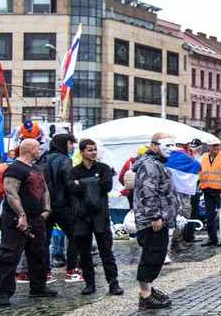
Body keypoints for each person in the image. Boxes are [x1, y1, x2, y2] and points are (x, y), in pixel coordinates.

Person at [0, 138, 56, 307]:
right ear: (30, 150)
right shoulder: (14, 168)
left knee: (38, 254)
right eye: (37, 148)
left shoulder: (36, 168)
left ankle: (38, 287)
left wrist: (46, 211)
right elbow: (11, 193)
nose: (40, 150)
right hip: (15, 218)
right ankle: (3, 294)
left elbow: (44, 190)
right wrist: (21, 215)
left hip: (36, 218)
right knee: (9, 255)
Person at [69, 138, 123, 296]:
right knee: (84, 252)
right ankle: (89, 284)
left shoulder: (104, 168)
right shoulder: (75, 171)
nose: (93, 152)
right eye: (90, 150)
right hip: (82, 215)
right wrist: (94, 183)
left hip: (100, 214)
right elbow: (72, 189)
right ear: (82, 152)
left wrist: (83, 184)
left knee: (106, 251)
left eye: (94, 149)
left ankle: (113, 283)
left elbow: (106, 186)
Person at [133, 132, 178, 310]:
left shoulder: (157, 164)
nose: (171, 149)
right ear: (154, 145)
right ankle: (145, 295)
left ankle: (148, 289)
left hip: (159, 218)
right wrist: (155, 216)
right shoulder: (150, 165)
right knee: (151, 256)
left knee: (156, 255)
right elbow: (148, 192)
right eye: (166, 145)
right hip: (151, 221)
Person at [39, 132, 81, 283]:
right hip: (61, 204)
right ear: (63, 144)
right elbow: (69, 183)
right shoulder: (65, 160)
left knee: (44, 239)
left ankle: (46, 273)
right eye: (70, 143)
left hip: (43, 206)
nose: (72, 146)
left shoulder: (42, 158)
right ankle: (71, 271)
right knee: (75, 235)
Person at [198, 136, 221, 247]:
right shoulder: (203, 157)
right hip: (207, 190)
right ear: (208, 146)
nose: (216, 147)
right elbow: (200, 171)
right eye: (213, 146)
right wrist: (200, 185)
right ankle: (212, 238)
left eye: (217, 145)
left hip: (220, 192)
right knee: (210, 216)